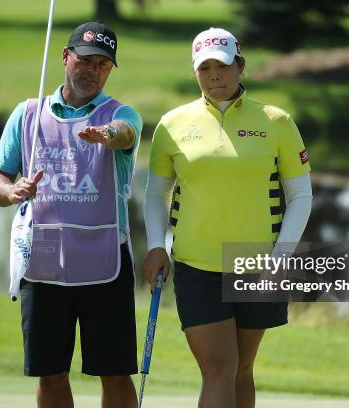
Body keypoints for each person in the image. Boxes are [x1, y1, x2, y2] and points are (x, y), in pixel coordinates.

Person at [142, 27, 312, 408]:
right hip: (196, 265)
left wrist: (280, 256)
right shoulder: (172, 124)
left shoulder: (276, 121)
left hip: (259, 264)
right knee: (219, 368)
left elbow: (300, 196)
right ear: (195, 72)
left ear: (241, 65)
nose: (214, 75)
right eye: (205, 68)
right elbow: (155, 194)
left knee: (242, 369)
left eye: (222, 65)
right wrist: (156, 246)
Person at [0, 21, 142, 408]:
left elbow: (126, 133)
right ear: (65, 57)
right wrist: (11, 191)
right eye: (86, 60)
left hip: (104, 259)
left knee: (115, 372)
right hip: (42, 259)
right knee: (50, 371)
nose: (93, 71)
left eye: (103, 65)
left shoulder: (121, 114)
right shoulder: (27, 114)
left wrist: (106, 134)